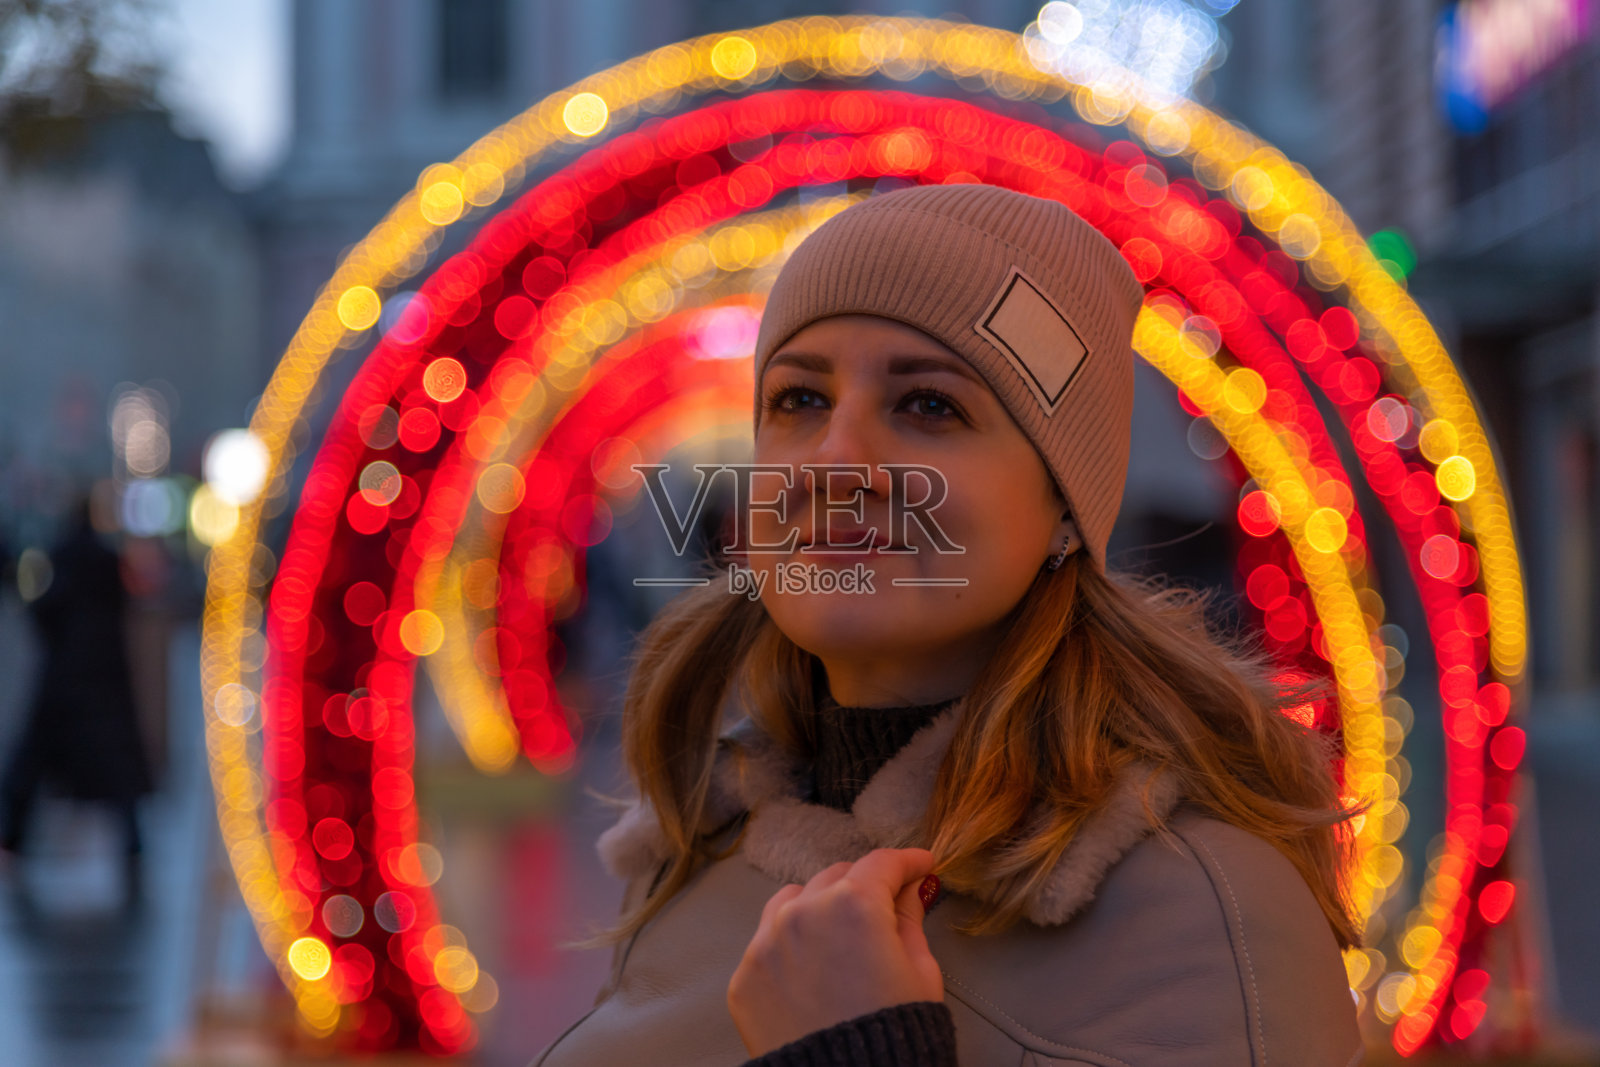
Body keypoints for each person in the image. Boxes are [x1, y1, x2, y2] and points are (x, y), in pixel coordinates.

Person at [531, 184, 1364, 1065]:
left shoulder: (1206, 910)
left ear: (1064, 511)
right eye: (799, 401)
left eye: (930, 405)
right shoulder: (693, 843)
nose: (835, 460)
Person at [0, 494, 154, 897]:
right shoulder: (106, 561)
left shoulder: (63, 558)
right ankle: (134, 847)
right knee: (117, 774)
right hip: (103, 681)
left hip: (65, 680)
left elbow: (44, 611)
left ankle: (12, 841)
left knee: (32, 764)